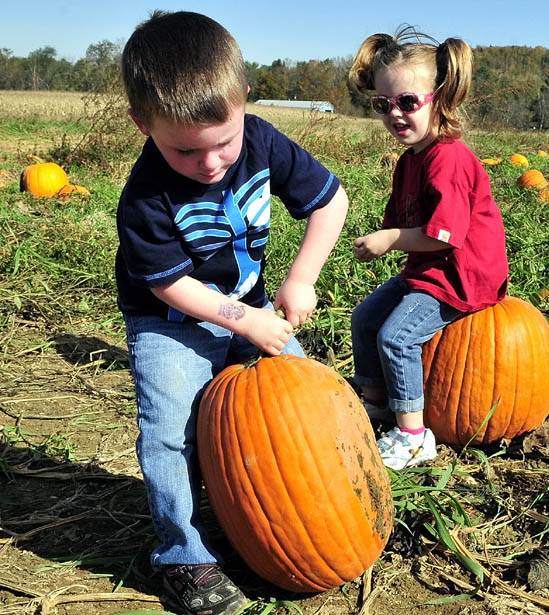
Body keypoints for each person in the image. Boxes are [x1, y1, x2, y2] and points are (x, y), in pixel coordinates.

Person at [116, 10, 348, 615]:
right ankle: (182, 555)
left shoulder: (265, 139)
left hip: (248, 305)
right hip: (169, 320)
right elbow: (168, 284)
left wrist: (301, 279)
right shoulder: (145, 195)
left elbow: (331, 202)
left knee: (305, 399)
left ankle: (316, 511)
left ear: (245, 100)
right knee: (170, 431)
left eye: (224, 142)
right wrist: (245, 321)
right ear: (144, 124)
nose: (212, 163)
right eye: (187, 151)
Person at [348, 27, 509, 470]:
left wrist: (389, 241)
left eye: (406, 102)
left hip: (461, 275)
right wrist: (387, 236)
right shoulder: (412, 159)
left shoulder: (448, 159)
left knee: (396, 337)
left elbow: (443, 235)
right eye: (383, 104)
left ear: (440, 97)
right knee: (364, 318)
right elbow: (404, 219)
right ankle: (378, 405)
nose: (394, 114)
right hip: (428, 269)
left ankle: (413, 436)